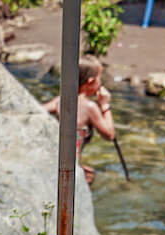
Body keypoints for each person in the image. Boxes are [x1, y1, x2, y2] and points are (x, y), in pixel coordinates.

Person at [44, 55, 116, 187]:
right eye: (100, 78)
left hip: (55, 162)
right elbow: (110, 134)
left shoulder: (60, 100)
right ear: (91, 81)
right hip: (71, 167)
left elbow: (37, 111)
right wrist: (105, 105)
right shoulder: (90, 107)